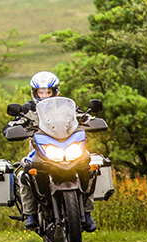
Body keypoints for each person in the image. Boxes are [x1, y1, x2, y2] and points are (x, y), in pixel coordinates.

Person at [11, 70, 96, 232]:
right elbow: (16, 122)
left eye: (48, 91)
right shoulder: (28, 108)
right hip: (40, 149)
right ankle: (31, 214)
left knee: (89, 167)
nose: (44, 95)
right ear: (34, 92)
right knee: (25, 172)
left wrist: (91, 120)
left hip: (69, 146)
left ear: (55, 91)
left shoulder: (66, 107)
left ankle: (87, 211)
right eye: (40, 92)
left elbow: (82, 116)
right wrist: (13, 127)